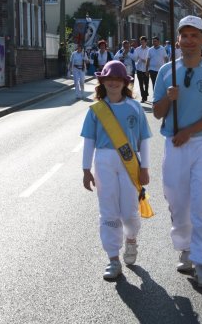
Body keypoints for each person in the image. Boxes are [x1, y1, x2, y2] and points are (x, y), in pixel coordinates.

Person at [152, 15, 202, 288]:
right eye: (185, 35)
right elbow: (158, 112)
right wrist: (167, 98)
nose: (189, 40)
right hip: (174, 145)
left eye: (195, 35)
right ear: (178, 41)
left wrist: (190, 131)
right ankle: (185, 248)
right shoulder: (165, 73)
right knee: (177, 199)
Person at [81, 61, 152, 280]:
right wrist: (86, 169)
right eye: (108, 78)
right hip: (103, 162)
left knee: (129, 211)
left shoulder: (134, 107)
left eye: (118, 79)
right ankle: (113, 257)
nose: (113, 82)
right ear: (102, 81)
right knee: (108, 210)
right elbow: (89, 140)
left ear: (125, 82)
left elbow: (145, 140)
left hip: (130, 163)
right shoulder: (96, 110)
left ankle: (131, 239)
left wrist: (145, 168)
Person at [134, 36, 150, 103]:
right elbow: (135, 58)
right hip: (139, 68)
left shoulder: (149, 49)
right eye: (141, 42)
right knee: (140, 83)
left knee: (146, 83)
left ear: (146, 42)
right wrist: (139, 59)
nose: (142, 43)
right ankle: (143, 97)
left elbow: (150, 59)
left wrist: (146, 61)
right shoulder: (137, 49)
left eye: (143, 42)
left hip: (146, 68)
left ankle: (146, 93)